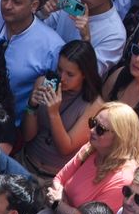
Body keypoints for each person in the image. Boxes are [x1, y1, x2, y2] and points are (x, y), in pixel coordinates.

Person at [46, 102, 139, 214]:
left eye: (100, 129)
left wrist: (58, 204)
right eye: (93, 123)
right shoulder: (90, 148)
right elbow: (58, 179)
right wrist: (69, 212)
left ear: (119, 138)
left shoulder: (123, 179)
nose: (92, 130)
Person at [0, 0, 66, 114]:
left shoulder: (52, 47)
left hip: (18, 124)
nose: (7, 6)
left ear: (34, 6)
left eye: (16, 2)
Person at [20, 41, 106, 178]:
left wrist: (54, 114)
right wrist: (32, 107)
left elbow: (66, 148)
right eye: (59, 70)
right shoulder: (43, 83)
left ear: (84, 74)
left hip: (53, 177)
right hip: (26, 163)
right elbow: (27, 136)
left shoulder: (94, 105)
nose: (62, 78)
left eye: (70, 74)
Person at [43, 0, 130, 74]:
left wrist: (86, 39)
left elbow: (92, 74)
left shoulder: (115, 34)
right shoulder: (73, 1)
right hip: (48, 70)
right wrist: (43, 13)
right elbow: (40, 29)